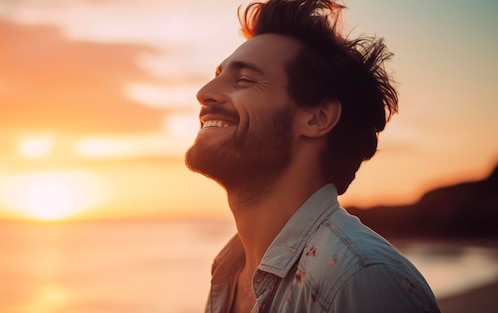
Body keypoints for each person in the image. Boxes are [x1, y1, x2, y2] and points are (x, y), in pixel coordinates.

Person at [184, 0, 441, 312]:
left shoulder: (361, 280)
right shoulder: (228, 273)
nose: (204, 92)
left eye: (244, 80)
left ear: (317, 117)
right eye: (218, 74)